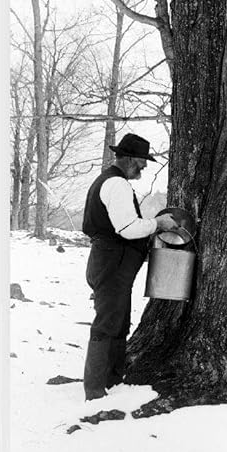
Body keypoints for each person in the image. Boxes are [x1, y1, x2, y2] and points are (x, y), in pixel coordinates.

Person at [80, 133, 176, 400]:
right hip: (112, 263)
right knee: (108, 323)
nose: (144, 167)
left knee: (118, 321)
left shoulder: (109, 181)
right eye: (142, 161)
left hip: (109, 262)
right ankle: (95, 390)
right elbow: (128, 229)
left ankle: (111, 379)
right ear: (130, 159)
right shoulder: (117, 184)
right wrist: (159, 224)